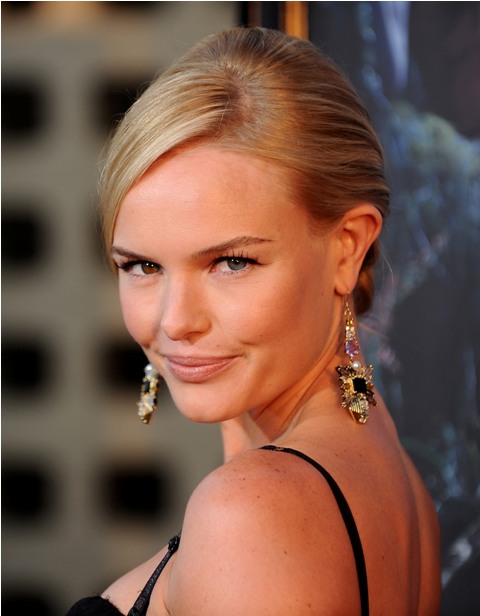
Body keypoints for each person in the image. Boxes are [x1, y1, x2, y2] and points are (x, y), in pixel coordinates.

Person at [67, 27, 441, 616]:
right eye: (142, 266)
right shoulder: (394, 476)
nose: (175, 321)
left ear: (347, 248)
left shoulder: (250, 512)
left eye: (232, 262)